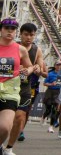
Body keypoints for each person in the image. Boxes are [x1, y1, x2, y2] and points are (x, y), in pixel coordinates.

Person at [5, 22, 46, 151]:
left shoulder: (37, 50)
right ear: (20, 34)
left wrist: (37, 69)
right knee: (5, 121)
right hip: (8, 87)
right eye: (26, 35)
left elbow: (42, 70)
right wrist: (18, 68)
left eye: (32, 35)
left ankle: (9, 148)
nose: (29, 38)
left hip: (25, 88)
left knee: (20, 117)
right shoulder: (13, 46)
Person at [0, 18, 33, 155]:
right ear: (1, 30)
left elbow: (30, 66)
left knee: (5, 127)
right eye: (6, 28)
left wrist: (28, 70)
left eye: (12, 29)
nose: (9, 31)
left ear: (16, 32)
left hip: (10, 90)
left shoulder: (21, 50)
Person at [42, 62, 61, 131]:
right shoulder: (51, 74)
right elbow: (44, 83)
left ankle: (51, 126)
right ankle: (44, 116)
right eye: (57, 65)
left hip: (58, 92)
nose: (59, 66)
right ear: (55, 66)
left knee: (54, 109)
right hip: (50, 92)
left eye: (60, 65)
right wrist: (51, 84)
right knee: (48, 109)